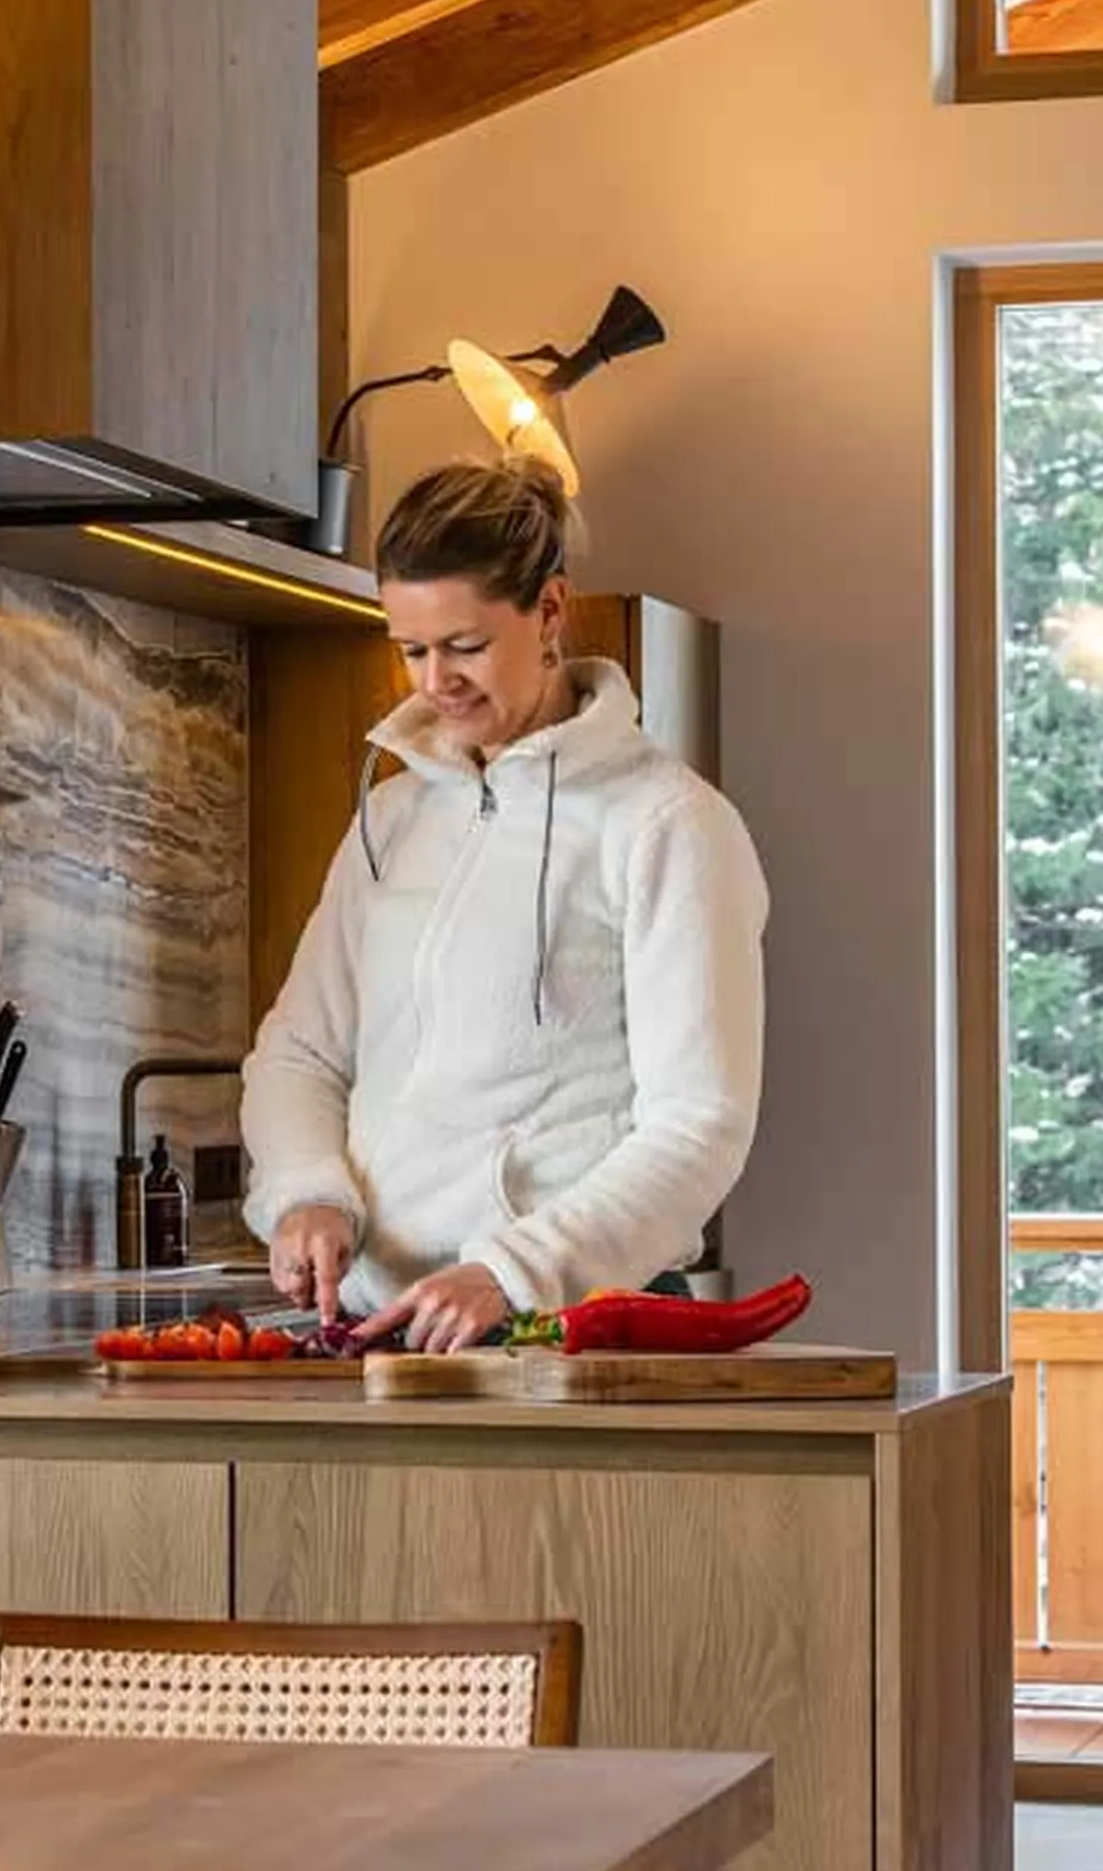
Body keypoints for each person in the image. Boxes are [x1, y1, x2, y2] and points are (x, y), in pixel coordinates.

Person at [242, 457, 766, 1351]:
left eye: (466, 644)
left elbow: (702, 1121)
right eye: (411, 648)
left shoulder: (668, 823)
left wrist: (514, 1270)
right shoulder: (391, 818)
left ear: (551, 610)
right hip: (375, 1330)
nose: (434, 679)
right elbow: (300, 1051)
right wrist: (307, 1192)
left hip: (558, 1327)